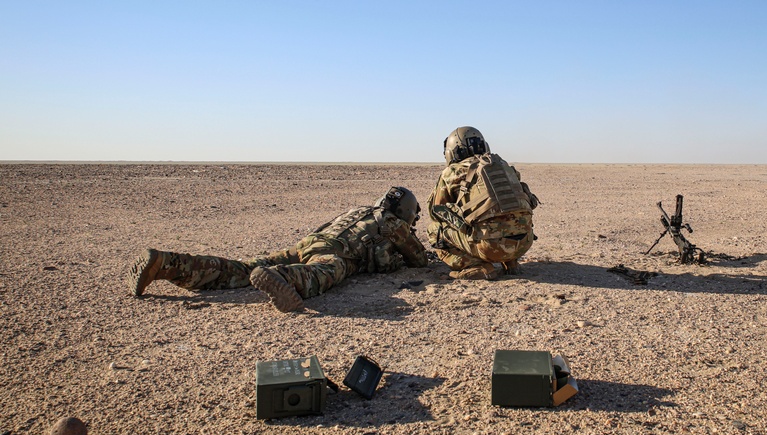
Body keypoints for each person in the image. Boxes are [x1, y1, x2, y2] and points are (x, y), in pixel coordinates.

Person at [127, 186, 428, 312]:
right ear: (406, 211)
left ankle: (167, 263)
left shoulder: (360, 210)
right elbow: (419, 259)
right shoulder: (392, 223)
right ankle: (283, 279)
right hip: (331, 252)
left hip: (306, 244)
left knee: (241, 269)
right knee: (328, 271)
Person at [426, 126, 539, 280]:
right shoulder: (503, 165)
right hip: (524, 242)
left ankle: (476, 266)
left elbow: (437, 212)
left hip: (490, 247)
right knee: (507, 217)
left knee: (434, 230)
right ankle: (510, 262)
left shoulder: (451, 172)